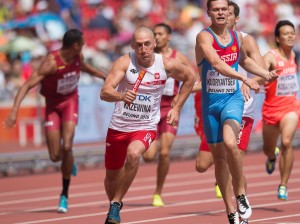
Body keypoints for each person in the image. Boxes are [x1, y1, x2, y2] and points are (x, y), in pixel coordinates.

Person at [3, 29, 106, 213]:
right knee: (55, 156)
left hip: (70, 102)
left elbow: (85, 67)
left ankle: (64, 195)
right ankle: (69, 159)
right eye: (81, 43)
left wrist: (106, 76)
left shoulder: (77, 55)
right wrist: (14, 112)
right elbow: (27, 85)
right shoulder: (51, 63)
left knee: (67, 146)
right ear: (74, 46)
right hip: (52, 106)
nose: (84, 46)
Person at [100, 26, 195, 224]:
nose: (143, 49)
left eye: (147, 44)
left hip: (146, 125)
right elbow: (105, 92)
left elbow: (190, 78)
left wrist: (176, 108)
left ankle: (117, 204)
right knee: (111, 177)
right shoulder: (125, 62)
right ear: (133, 46)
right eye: (139, 45)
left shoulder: (166, 64)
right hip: (118, 126)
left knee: (134, 155)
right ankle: (113, 208)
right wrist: (121, 95)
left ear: (154, 44)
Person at [195, 0, 278, 223]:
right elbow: (216, 62)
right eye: (217, 9)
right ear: (209, 12)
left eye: (225, 10)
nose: (222, 13)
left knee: (232, 145)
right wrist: (243, 78)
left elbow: (244, 60)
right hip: (211, 103)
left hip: (233, 100)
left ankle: (241, 194)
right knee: (218, 160)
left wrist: (263, 73)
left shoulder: (238, 38)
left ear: (231, 14)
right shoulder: (204, 37)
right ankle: (231, 210)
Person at [142, 23, 197, 207]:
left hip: (169, 109)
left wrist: (180, 99)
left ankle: (158, 192)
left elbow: (192, 79)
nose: (156, 37)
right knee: (149, 156)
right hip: (150, 109)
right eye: (154, 34)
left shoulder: (177, 57)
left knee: (165, 152)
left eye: (160, 34)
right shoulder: (147, 56)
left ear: (169, 37)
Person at [262, 20, 299, 201]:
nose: (291, 36)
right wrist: (267, 77)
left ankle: (283, 184)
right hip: (271, 109)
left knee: (286, 142)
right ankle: (271, 157)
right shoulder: (270, 57)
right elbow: (258, 77)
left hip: (290, 107)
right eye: (286, 33)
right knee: (268, 149)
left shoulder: (295, 55)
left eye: (292, 32)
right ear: (277, 38)